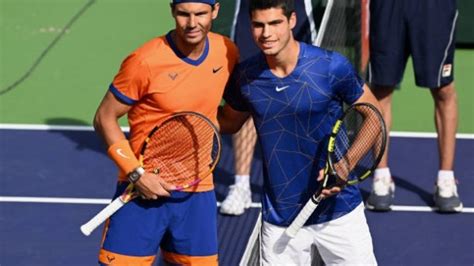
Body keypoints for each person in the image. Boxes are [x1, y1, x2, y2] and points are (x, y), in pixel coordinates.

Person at [219, 0, 378, 264]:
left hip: (338, 214)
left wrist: (346, 164)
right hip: (280, 219)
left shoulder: (330, 67)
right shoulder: (247, 77)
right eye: (258, 25)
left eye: (274, 23)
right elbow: (229, 121)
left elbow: (373, 115)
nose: (266, 33)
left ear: (292, 21)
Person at [92, 0, 238, 264]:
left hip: (198, 193)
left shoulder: (226, 50)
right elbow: (104, 118)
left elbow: (225, 119)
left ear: (215, 10)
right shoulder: (145, 61)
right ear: (172, 11)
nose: (192, 23)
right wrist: (137, 174)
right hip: (142, 190)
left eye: (201, 14)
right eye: (184, 14)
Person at [219, 0, 319, 216]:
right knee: (248, 90)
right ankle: (241, 184)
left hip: (294, 6)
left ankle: (300, 180)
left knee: (303, 91)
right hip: (252, 7)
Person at [365, 0, 463, 213]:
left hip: (433, 8)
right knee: (381, 89)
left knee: (443, 88)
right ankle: (381, 178)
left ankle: (446, 181)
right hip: (389, 7)